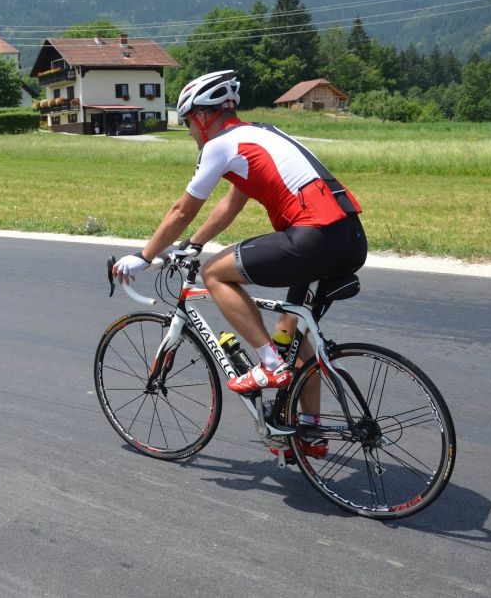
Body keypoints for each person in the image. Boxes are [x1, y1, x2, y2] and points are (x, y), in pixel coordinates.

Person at [113, 70, 367, 459]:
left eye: (186, 123)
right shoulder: (258, 134)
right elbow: (233, 201)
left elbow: (182, 208)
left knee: (216, 273)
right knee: (293, 335)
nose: (189, 133)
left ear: (200, 117)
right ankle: (311, 434)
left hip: (312, 235)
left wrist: (143, 256)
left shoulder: (219, 145)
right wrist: (192, 243)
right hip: (348, 236)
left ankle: (266, 365)